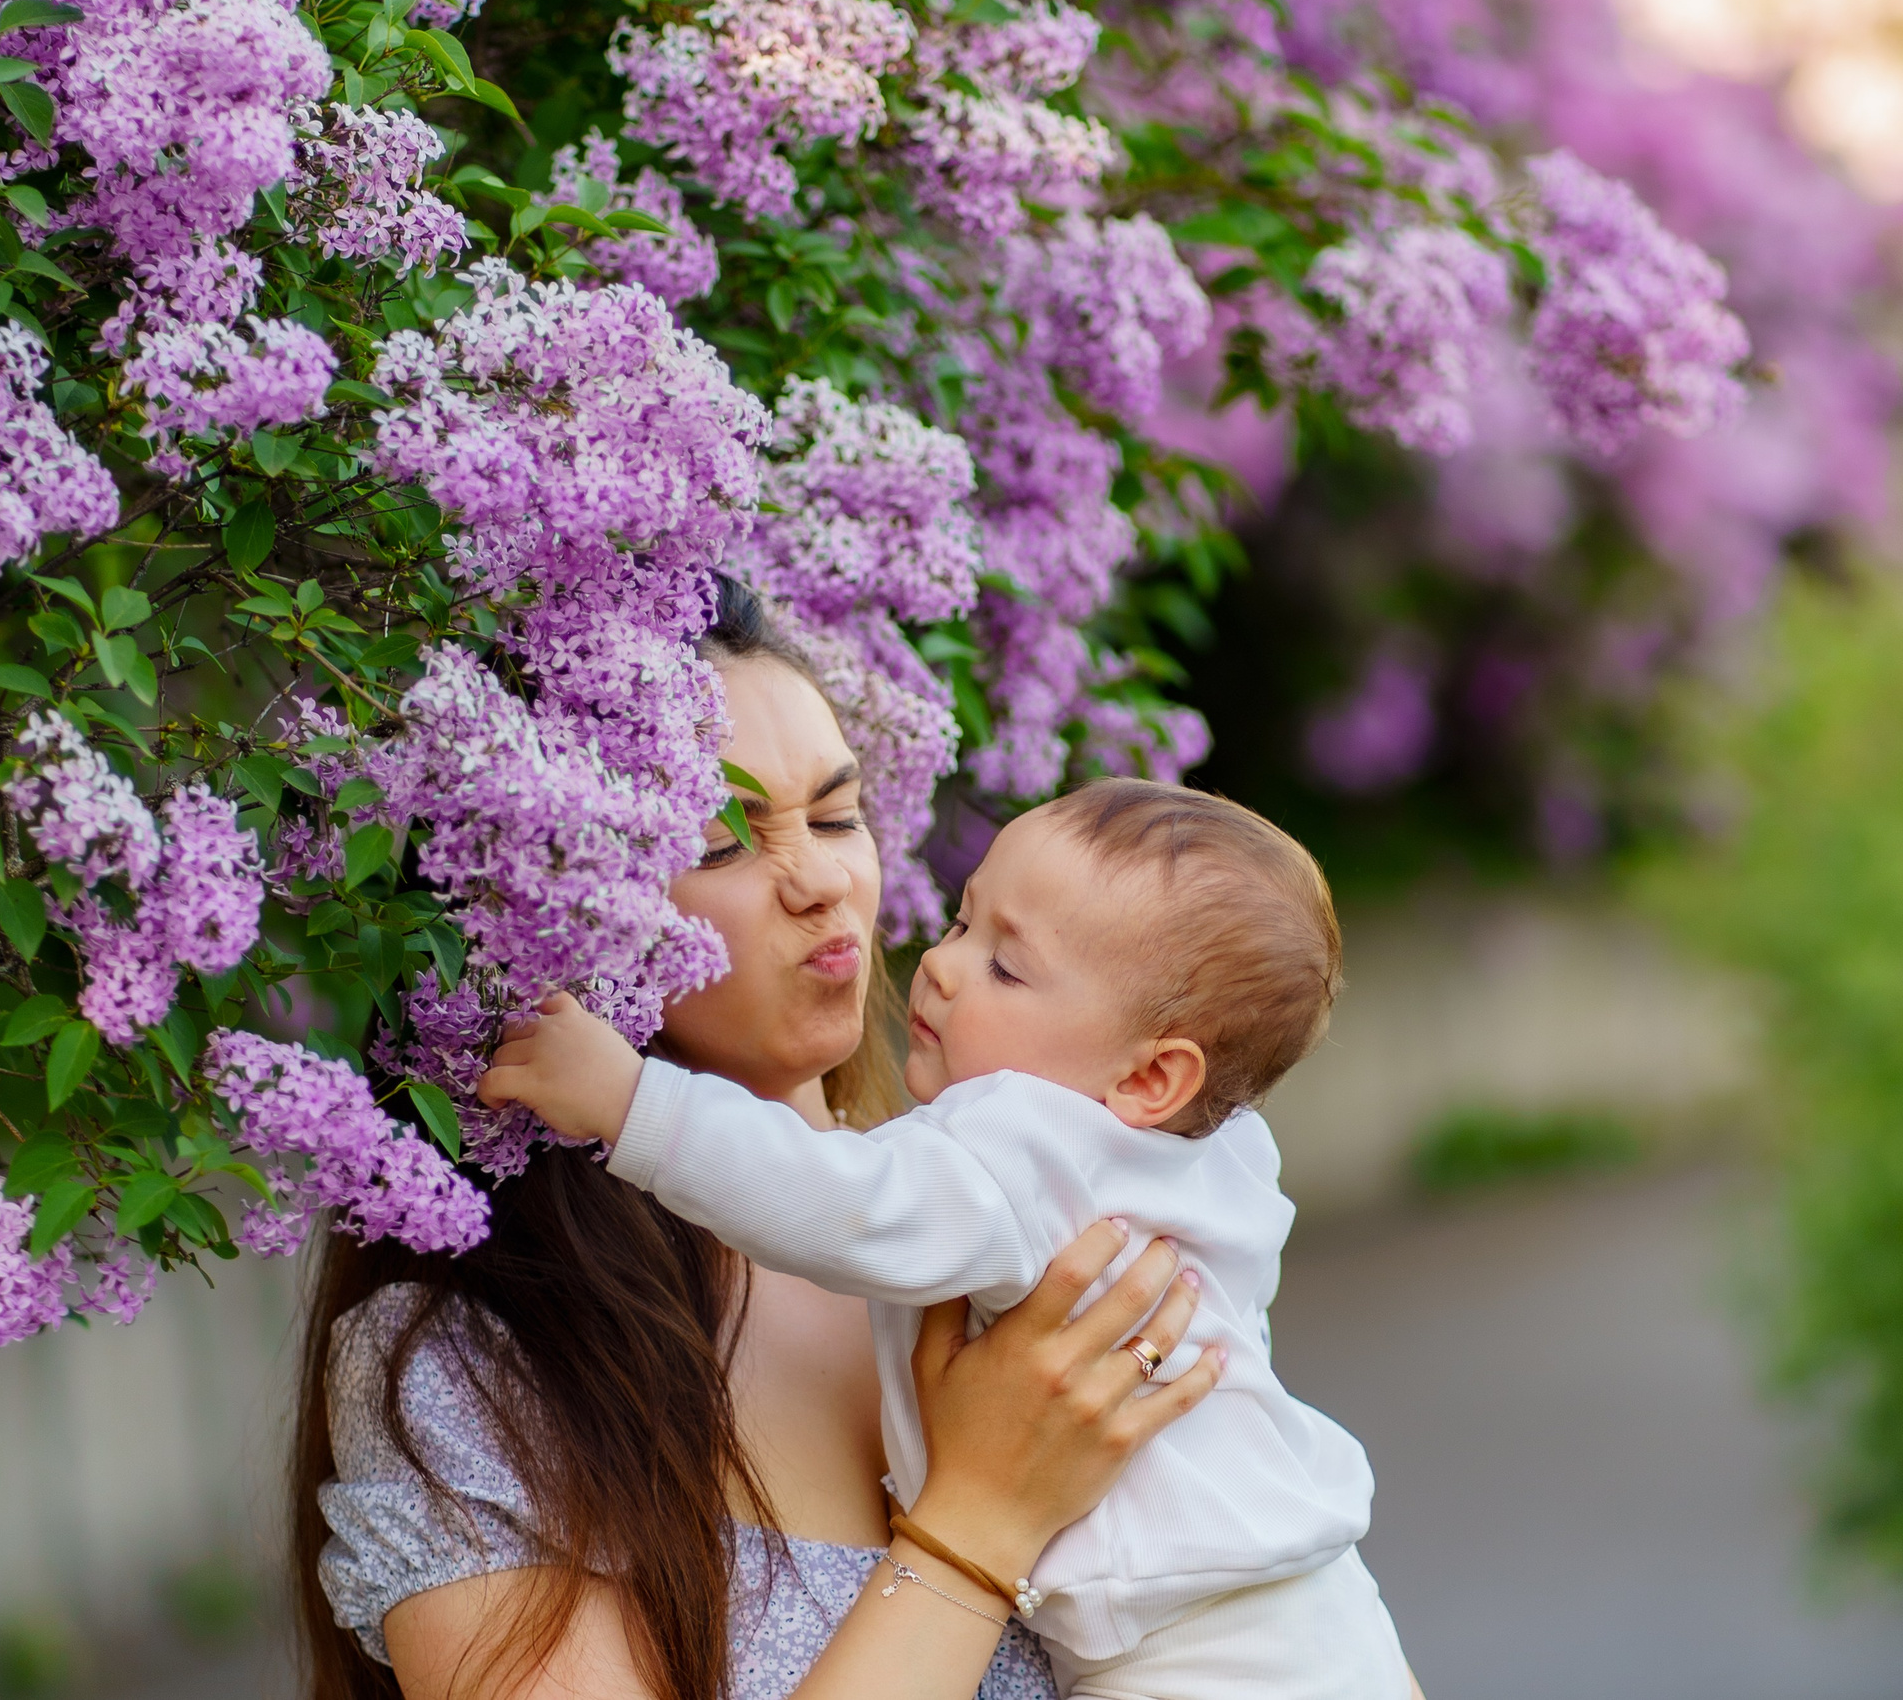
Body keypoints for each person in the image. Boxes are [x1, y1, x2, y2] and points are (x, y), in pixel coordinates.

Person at [290, 579, 1228, 1700]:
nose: (824, 880)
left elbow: (1280, 1615)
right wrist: (977, 1524)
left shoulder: (1024, 1236)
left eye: (837, 818)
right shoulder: (486, 1368)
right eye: (721, 840)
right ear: (547, 904)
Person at [482, 780, 1412, 1700]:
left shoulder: (1026, 1141)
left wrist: (629, 1101)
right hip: (1318, 1605)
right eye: (964, 923)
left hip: (1193, 1656)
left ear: (1153, 1076)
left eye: (1007, 967)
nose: (942, 964)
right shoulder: (1224, 1151)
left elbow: (841, 1203)